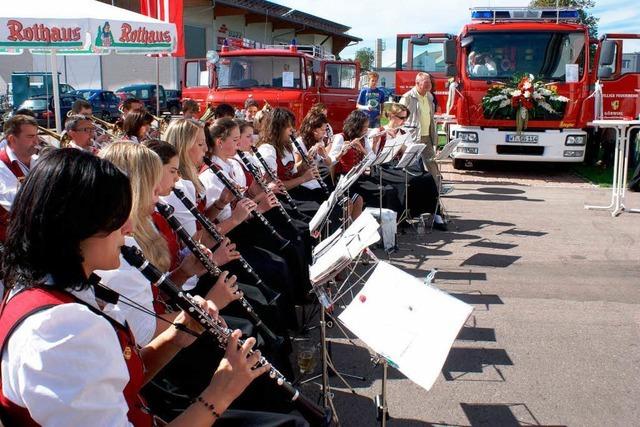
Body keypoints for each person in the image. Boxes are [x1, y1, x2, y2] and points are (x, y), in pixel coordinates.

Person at [0, 148, 270, 425]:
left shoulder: (47, 289)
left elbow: (119, 378)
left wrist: (174, 338)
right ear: (77, 225)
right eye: (117, 217)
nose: (128, 228)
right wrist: (221, 392)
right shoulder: (61, 333)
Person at [0, 115, 39, 242]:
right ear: (12, 139)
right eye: (30, 137)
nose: (37, 142)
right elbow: (14, 203)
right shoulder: (1, 165)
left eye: (36, 135)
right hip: (14, 242)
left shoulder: (37, 161)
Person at [400, 72, 440, 188]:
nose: (429, 85)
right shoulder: (407, 97)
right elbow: (399, 117)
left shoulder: (429, 96)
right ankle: (409, 188)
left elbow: (431, 116)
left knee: (432, 163)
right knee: (412, 164)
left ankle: (437, 188)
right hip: (413, 136)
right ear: (417, 83)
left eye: (430, 82)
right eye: (426, 82)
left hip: (426, 136)